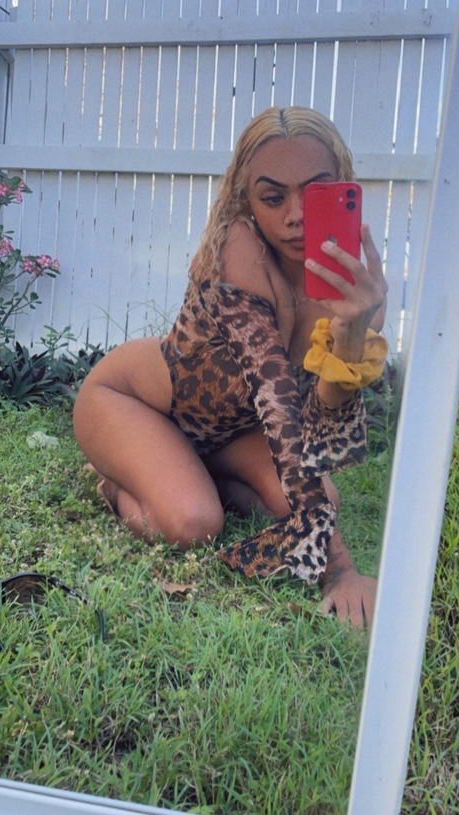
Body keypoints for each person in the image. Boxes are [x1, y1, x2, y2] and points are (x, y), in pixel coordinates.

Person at [73, 106, 388, 628]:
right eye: (273, 197)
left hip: (232, 431)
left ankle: (200, 471)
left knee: (321, 498)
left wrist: (353, 332)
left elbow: (324, 426)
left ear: (342, 187)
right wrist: (340, 571)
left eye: (314, 193)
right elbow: (280, 410)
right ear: (246, 199)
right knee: (192, 525)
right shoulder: (240, 251)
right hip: (136, 402)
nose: (295, 216)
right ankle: (111, 476)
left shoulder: (358, 287)